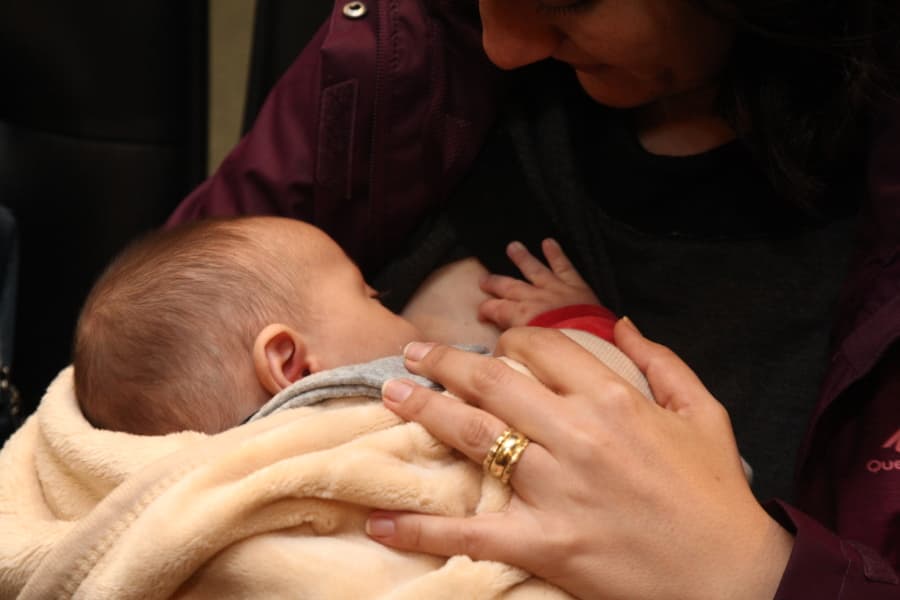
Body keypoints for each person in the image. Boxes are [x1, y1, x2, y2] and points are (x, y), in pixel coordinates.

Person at [166, 1, 900, 597]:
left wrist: (758, 572)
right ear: (287, 361)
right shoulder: (404, 47)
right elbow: (147, 367)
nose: (503, 45)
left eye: (566, 0)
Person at [75, 215, 628, 438]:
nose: (395, 307)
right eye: (369, 296)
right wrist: (575, 321)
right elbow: (589, 412)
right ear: (291, 364)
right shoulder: (393, 407)